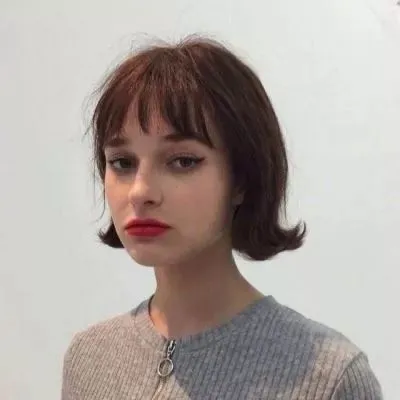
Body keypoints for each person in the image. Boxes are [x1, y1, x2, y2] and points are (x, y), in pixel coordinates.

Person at [61, 36, 383, 399]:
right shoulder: (89, 357)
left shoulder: (330, 377)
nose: (140, 191)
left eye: (182, 161)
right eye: (122, 163)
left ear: (241, 179)